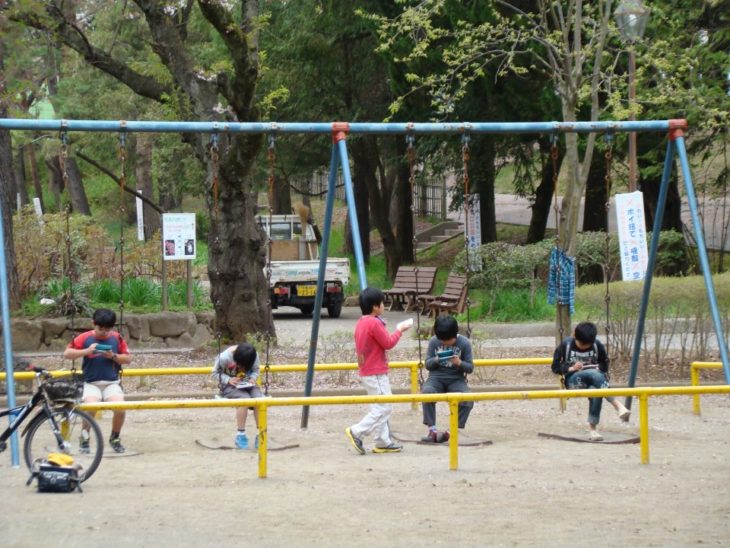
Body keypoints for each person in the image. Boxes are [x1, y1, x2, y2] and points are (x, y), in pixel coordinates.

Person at [345, 287, 412, 455]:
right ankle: (357, 431)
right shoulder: (374, 322)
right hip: (375, 371)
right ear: (375, 307)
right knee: (384, 407)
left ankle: (383, 440)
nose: (383, 305)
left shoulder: (363, 322)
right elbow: (388, 343)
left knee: (379, 406)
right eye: (382, 303)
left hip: (367, 370)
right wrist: (400, 330)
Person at [63, 308, 132, 453]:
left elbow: (128, 359)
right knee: (90, 407)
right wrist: (86, 351)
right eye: (101, 328)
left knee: (121, 408)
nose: (104, 332)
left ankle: (115, 437)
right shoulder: (85, 337)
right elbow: (67, 354)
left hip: (111, 383)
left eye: (108, 329)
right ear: (93, 324)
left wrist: (113, 356)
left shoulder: (116, 338)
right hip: (91, 383)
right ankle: (85, 437)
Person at [551, 321, 631, 441]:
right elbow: (555, 367)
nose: (583, 347)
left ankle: (593, 430)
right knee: (593, 374)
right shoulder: (566, 345)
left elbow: (604, 363)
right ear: (574, 335)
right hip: (574, 381)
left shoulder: (596, 345)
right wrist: (571, 368)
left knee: (595, 391)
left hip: (595, 381)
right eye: (581, 344)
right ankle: (617, 404)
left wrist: (599, 368)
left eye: (587, 345)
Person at [421, 315, 474, 442]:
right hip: (436, 378)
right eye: (442, 340)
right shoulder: (434, 341)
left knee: (468, 399)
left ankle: (450, 432)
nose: (444, 343)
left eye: (448, 340)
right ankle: (432, 431)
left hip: (456, 379)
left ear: (455, 335)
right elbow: (427, 364)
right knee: (427, 393)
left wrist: (459, 363)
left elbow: (470, 368)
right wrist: (437, 360)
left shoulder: (464, 343)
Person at [211, 343, 263, 449]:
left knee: (260, 400)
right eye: (241, 365)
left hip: (248, 383)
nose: (243, 368)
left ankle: (261, 433)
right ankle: (241, 435)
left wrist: (253, 378)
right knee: (244, 400)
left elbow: (256, 370)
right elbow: (214, 374)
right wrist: (228, 379)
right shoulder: (225, 358)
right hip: (230, 386)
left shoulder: (253, 356)